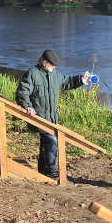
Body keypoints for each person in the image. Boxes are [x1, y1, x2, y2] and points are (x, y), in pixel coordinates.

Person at [15, 49, 90, 178]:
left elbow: (67, 82)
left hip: (52, 118)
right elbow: (22, 92)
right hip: (38, 117)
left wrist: (81, 80)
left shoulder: (55, 74)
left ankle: (43, 169)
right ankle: (52, 170)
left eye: (55, 65)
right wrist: (27, 106)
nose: (54, 67)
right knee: (51, 140)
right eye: (52, 64)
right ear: (44, 62)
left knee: (46, 142)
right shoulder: (32, 74)